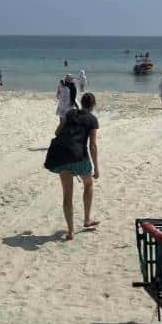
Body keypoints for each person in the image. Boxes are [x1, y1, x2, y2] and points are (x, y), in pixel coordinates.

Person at [46, 92, 100, 241]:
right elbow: (93, 145)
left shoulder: (70, 113)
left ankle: (70, 232)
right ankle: (87, 219)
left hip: (62, 155)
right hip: (79, 156)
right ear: (93, 105)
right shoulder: (92, 120)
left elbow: (57, 132)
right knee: (88, 184)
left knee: (67, 194)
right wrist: (96, 168)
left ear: (81, 102)